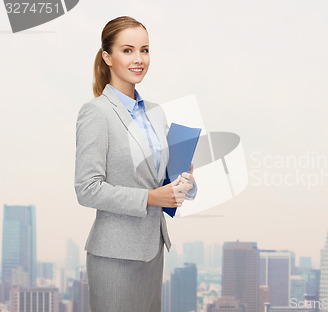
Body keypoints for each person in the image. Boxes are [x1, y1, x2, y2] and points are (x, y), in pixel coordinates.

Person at [74, 16, 197, 312]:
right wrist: (151, 198)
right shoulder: (96, 113)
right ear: (108, 57)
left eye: (144, 50)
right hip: (114, 257)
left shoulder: (155, 113)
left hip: (152, 252)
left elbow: (159, 180)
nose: (139, 59)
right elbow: (87, 189)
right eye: (127, 50)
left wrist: (185, 184)